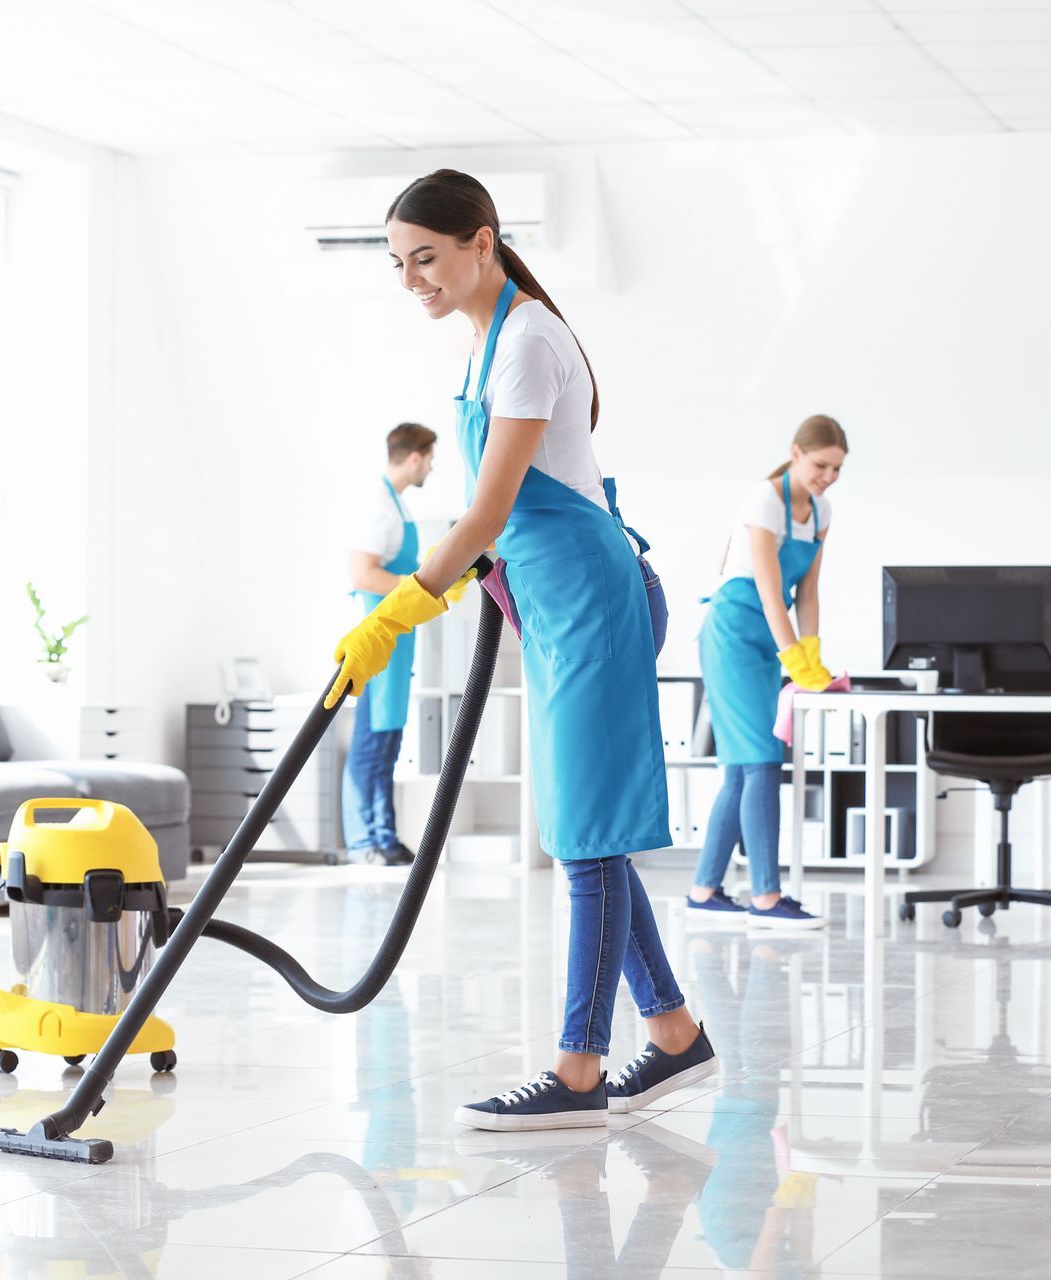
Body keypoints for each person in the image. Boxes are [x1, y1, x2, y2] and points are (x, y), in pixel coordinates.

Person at [324, 168, 716, 1131]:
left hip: (592, 602)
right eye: (398, 263)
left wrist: (397, 611)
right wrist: (469, 578)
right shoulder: (484, 345)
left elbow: (491, 509)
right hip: (552, 603)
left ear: (481, 241)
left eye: (425, 257)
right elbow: (496, 514)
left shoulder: (528, 339)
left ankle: (578, 1072)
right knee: (589, 833)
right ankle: (673, 1035)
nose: (412, 279)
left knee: (583, 841)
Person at [690, 417, 849, 929]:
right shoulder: (765, 500)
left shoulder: (821, 512)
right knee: (761, 760)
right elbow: (767, 590)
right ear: (796, 453)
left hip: (769, 639)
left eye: (837, 469)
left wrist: (812, 654)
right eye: (821, 465)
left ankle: (704, 890)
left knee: (742, 767)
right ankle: (765, 896)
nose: (828, 476)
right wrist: (794, 660)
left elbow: (808, 591)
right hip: (734, 633)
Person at [342, 422, 438, 867]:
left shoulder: (396, 505)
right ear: (414, 457)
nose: (431, 467)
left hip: (397, 639)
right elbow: (363, 574)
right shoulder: (377, 506)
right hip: (378, 636)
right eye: (430, 458)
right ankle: (363, 842)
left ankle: (384, 836)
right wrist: (416, 589)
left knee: (388, 740)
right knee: (371, 739)